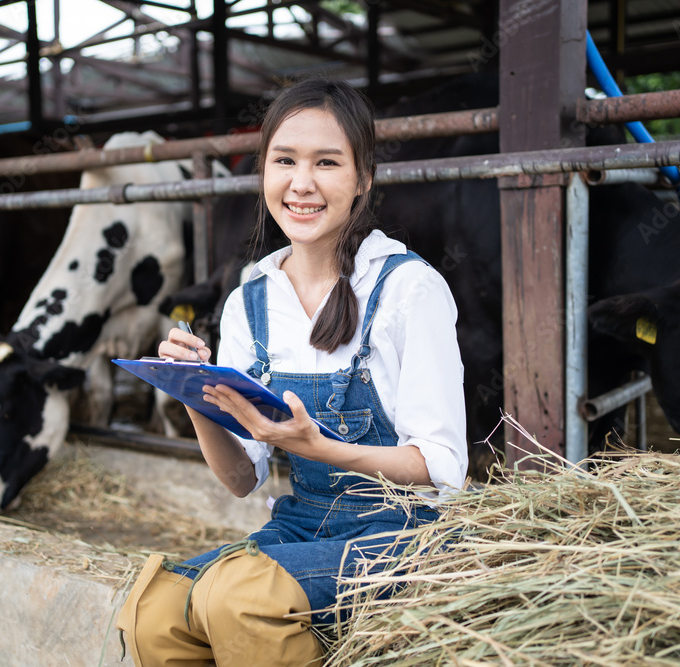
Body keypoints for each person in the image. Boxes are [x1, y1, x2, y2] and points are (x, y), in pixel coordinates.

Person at [116, 77, 467, 666]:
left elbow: (440, 469)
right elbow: (239, 479)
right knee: (157, 609)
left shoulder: (409, 288)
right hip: (303, 530)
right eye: (285, 160)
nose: (301, 183)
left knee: (237, 597)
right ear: (264, 172)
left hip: (406, 534)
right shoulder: (250, 300)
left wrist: (319, 447)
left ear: (363, 178)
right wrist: (193, 396)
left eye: (326, 162)